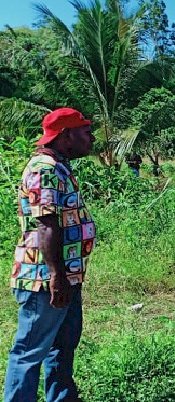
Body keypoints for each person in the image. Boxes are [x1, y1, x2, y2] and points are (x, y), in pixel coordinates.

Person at [4, 107, 96, 402]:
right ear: (66, 136)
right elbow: (46, 225)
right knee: (30, 350)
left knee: (62, 345)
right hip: (44, 279)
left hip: (65, 275)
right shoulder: (43, 170)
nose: (91, 138)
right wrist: (57, 276)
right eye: (85, 132)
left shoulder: (58, 167)